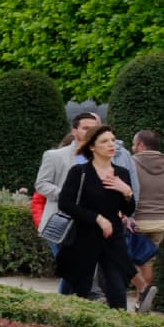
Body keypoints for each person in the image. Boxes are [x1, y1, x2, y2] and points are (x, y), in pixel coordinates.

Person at [53, 125, 139, 309]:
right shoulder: (79, 172)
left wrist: (127, 192)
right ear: (92, 146)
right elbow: (65, 204)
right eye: (104, 141)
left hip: (112, 236)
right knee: (81, 288)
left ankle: (119, 323)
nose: (111, 145)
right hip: (84, 235)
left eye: (112, 140)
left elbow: (128, 209)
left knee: (117, 286)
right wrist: (97, 219)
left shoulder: (121, 173)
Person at [129, 128, 164, 312]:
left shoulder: (130, 164)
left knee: (123, 259)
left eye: (134, 144)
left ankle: (143, 290)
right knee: (147, 260)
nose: (132, 147)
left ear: (141, 145)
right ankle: (141, 302)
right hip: (160, 222)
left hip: (136, 222)